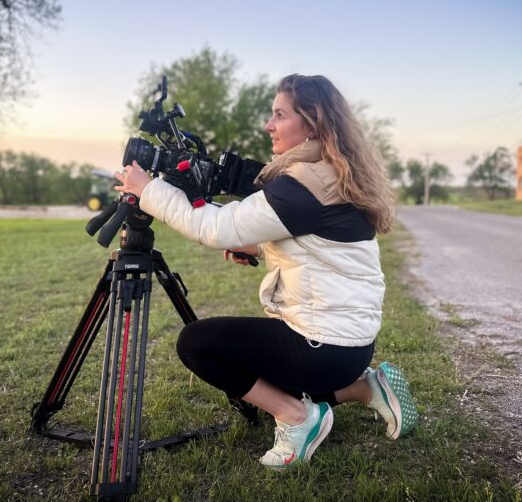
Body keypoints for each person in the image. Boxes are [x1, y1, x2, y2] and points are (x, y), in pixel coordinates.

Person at [114, 73, 417, 469]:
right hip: (349, 346)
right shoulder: (330, 173)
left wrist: (147, 188)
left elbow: (213, 228)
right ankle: (366, 388)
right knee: (269, 381)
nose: (268, 125)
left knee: (196, 344)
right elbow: (310, 240)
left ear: (312, 123)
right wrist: (255, 246)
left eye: (280, 115)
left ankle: (297, 419)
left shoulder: (302, 186)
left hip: (324, 346)